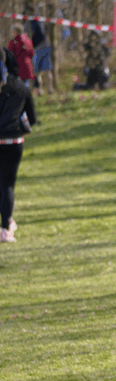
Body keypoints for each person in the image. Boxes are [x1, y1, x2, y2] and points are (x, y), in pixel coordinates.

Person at [0, 47, 37, 243]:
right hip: (13, 141)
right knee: (7, 185)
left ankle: (6, 222)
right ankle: (6, 227)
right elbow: (32, 117)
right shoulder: (22, 88)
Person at [27, 7, 54, 95]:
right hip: (46, 44)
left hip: (39, 47)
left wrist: (33, 47)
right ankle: (50, 89)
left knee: (37, 72)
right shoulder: (39, 18)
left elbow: (32, 34)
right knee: (47, 70)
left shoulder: (30, 21)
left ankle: (40, 90)